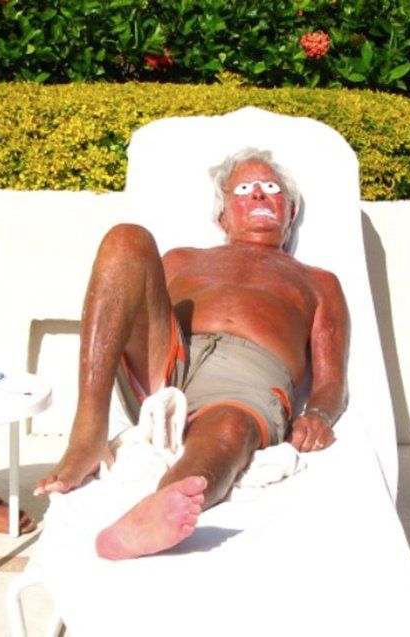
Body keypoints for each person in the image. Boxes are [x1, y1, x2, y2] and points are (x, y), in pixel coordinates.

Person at [34, 147, 349, 560]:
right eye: (244, 190)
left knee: (230, 428)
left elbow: (331, 379)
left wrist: (319, 414)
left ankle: (156, 511)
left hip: (247, 379)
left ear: (289, 213)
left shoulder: (319, 281)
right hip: (170, 354)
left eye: (272, 189)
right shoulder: (183, 259)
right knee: (127, 238)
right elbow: (129, 303)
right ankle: (88, 433)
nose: (258, 194)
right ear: (222, 217)